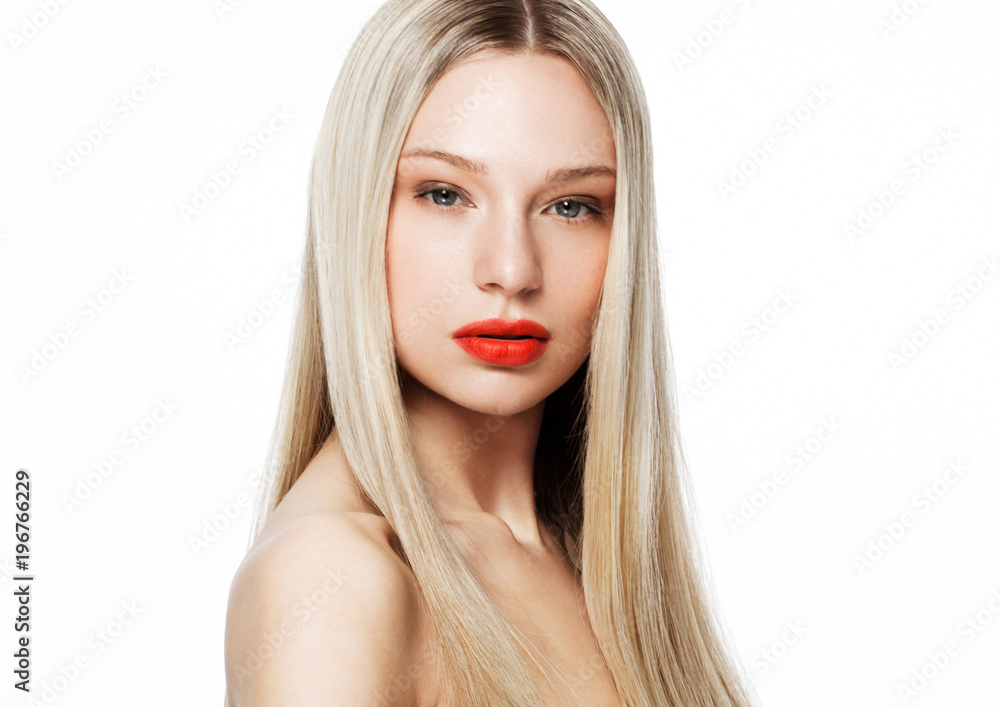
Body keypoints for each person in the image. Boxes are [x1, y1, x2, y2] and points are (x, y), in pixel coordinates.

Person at [224, 0, 758, 705]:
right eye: (445, 194)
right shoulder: (335, 574)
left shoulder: (593, 561)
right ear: (356, 209)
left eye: (571, 205)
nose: (512, 269)